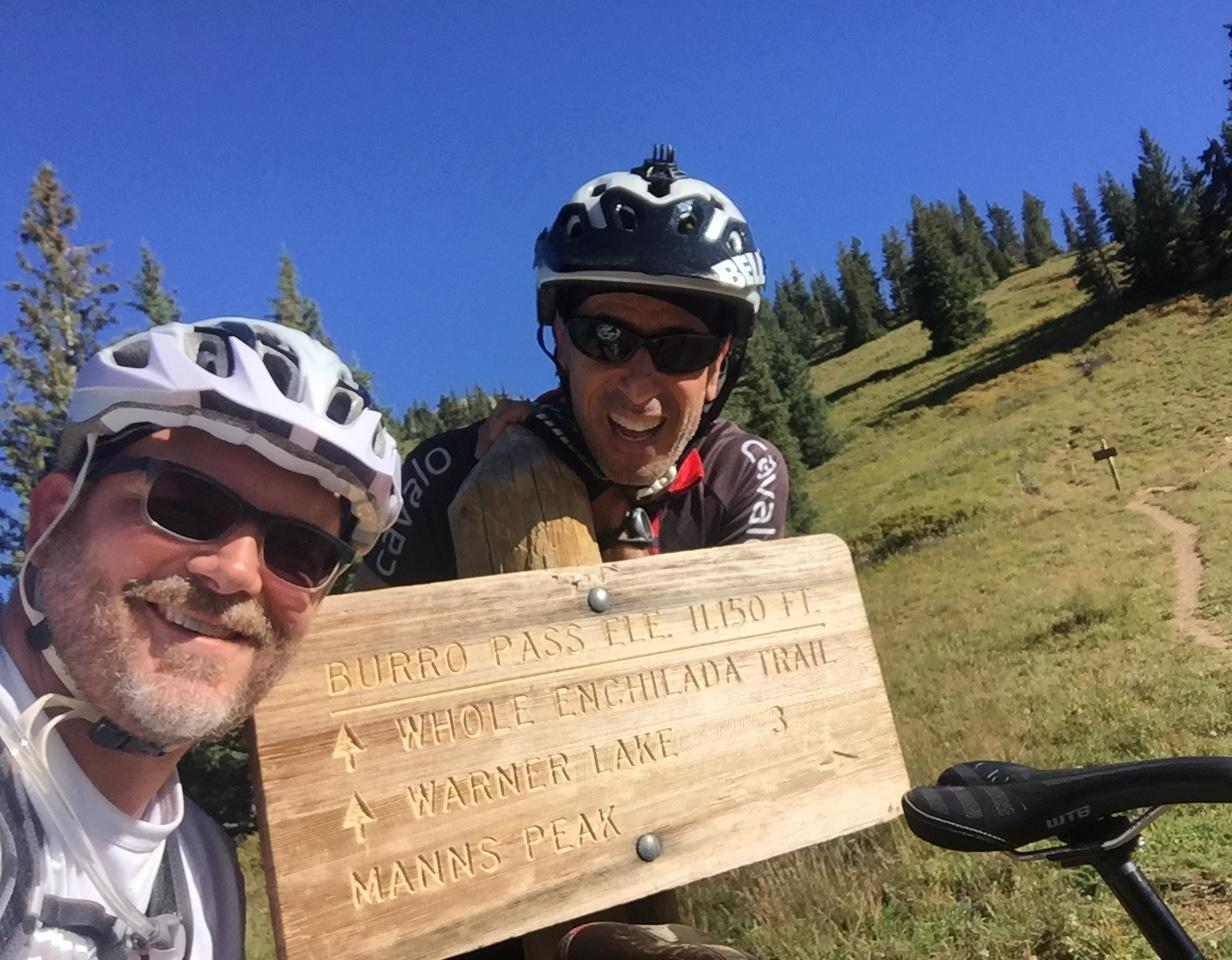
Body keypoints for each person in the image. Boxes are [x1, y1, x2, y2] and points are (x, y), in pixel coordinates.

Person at [0, 318, 401, 958]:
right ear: (53, 518)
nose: (237, 574)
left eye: (299, 551)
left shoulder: (206, 872)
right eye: (185, 507)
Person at [360, 146, 788, 588]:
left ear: (717, 369)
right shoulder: (445, 470)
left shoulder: (740, 471)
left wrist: (621, 536)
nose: (639, 388)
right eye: (606, 338)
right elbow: (367, 650)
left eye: (681, 350)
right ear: (561, 343)